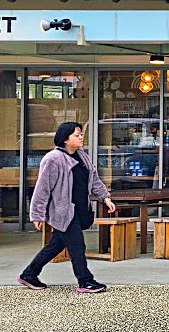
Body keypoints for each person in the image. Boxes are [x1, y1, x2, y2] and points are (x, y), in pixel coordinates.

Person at [19, 121, 117, 293]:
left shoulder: (82, 155)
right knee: (77, 246)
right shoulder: (53, 159)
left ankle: (29, 274)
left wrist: (105, 197)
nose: (81, 137)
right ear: (65, 139)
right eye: (76, 135)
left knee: (56, 245)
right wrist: (37, 214)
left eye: (81, 134)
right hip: (63, 211)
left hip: (79, 209)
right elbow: (43, 188)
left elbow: (93, 179)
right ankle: (85, 281)